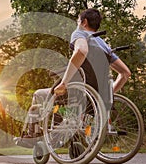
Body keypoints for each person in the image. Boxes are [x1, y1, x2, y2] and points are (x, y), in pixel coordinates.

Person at [19, 8, 131, 141]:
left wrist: (64, 83)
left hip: (78, 92)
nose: (77, 23)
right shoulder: (104, 45)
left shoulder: (80, 34)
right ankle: (62, 131)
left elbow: (82, 50)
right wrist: (107, 94)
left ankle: (33, 134)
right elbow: (125, 73)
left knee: (38, 94)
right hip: (95, 96)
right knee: (59, 99)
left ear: (84, 22)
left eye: (77, 20)